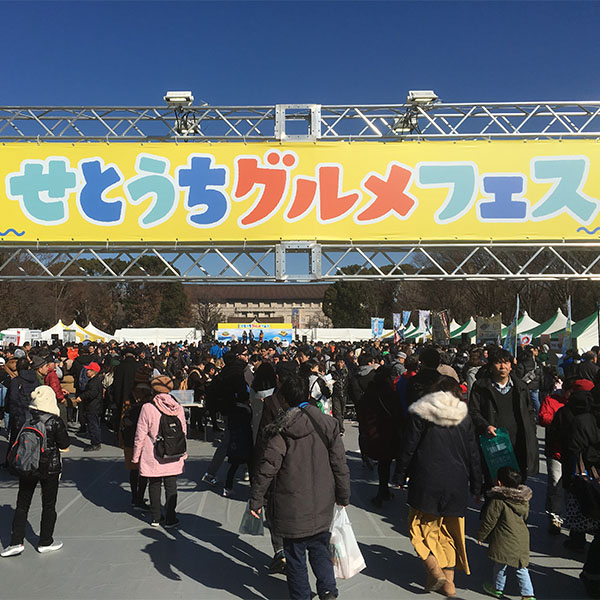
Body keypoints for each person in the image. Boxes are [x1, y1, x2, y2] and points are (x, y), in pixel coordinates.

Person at [250, 374, 350, 600]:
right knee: (320, 548)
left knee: (295, 556)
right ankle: (328, 590)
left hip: (291, 503)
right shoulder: (328, 423)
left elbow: (268, 467)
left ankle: (302, 596)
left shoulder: (282, 429)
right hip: (322, 500)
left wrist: (256, 499)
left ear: (284, 399)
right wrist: (343, 494)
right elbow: (339, 463)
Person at [396, 377, 481, 597]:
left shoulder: (422, 413)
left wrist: (400, 474)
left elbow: (409, 445)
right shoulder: (465, 417)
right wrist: (477, 484)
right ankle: (449, 583)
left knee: (419, 527)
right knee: (449, 532)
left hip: (427, 478)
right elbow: (473, 453)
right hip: (457, 481)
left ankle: (433, 569)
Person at [1, 386, 70, 557]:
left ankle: (16, 542)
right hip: (49, 468)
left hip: (28, 466)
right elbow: (64, 445)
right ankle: (45, 541)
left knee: (22, 504)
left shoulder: (27, 418)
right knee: (48, 505)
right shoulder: (55, 421)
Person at [469, 349, 539, 482]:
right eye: (498, 363)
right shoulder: (481, 387)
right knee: (493, 483)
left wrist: (531, 431)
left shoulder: (520, 387)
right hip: (493, 442)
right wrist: (485, 426)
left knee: (517, 482)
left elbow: (529, 412)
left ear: (511, 366)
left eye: (506, 362)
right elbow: (473, 411)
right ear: (490, 366)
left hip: (517, 442)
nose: (503, 367)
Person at [132, 376, 187, 527]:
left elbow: (140, 434)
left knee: (154, 484)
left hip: (153, 451)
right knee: (171, 486)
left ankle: (156, 517)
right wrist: (183, 452)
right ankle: (171, 517)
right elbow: (183, 431)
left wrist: (136, 456)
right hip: (173, 451)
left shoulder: (148, 407)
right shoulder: (178, 407)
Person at [477, 466, 535, 600]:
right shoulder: (523, 499)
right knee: (521, 567)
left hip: (504, 538)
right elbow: (525, 517)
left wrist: (481, 535)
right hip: (521, 537)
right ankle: (528, 594)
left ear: (499, 482)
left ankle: (497, 588)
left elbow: (490, 520)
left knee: (500, 564)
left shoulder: (499, 500)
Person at [75, 361, 104, 451]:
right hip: (94, 406)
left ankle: (95, 443)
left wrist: (82, 397)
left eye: (89, 370)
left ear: (93, 372)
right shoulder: (94, 381)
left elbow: (92, 393)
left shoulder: (94, 382)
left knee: (93, 425)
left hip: (93, 407)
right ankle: (95, 442)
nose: (87, 372)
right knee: (93, 424)